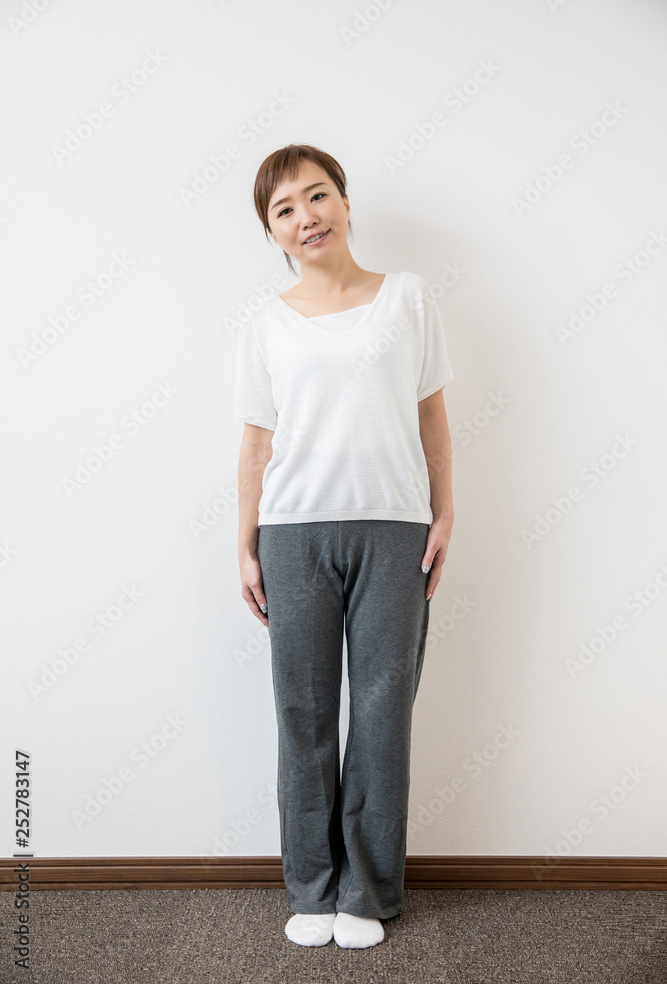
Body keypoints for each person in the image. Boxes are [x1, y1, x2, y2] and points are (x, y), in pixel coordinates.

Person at [235, 143, 455, 950]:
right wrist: (244, 545)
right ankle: (311, 886)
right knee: (302, 714)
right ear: (272, 233)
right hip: (291, 533)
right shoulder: (264, 322)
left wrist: (444, 514)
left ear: (345, 201)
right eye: (284, 209)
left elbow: (431, 416)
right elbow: (256, 444)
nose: (306, 216)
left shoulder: (408, 298)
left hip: (394, 528)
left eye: (317, 195)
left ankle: (366, 890)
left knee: (381, 714)